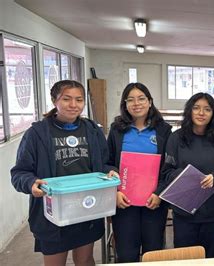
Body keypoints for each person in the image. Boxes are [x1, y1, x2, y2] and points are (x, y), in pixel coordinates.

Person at [11, 80, 115, 266]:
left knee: (84, 260)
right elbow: (19, 172)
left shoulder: (92, 130)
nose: (74, 105)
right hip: (52, 213)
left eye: (79, 100)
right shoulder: (37, 134)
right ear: (54, 100)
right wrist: (31, 183)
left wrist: (111, 172)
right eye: (66, 99)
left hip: (87, 207)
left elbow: (105, 164)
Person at [106, 82, 172, 262]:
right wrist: (116, 191)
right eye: (131, 100)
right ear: (125, 104)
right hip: (124, 203)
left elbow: (169, 167)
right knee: (126, 253)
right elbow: (107, 163)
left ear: (150, 102)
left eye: (141, 98)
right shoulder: (116, 130)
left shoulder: (164, 131)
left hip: (154, 202)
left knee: (153, 252)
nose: (137, 103)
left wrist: (159, 193)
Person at [161, 93, 214, 258]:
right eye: (196, 108)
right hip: (184, 212)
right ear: (189, 111)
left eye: (207, 109)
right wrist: (184, 177)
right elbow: (167, 172)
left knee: (209, 257)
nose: (201, 113)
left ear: (213, 113)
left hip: (213, 212)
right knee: (185, 258)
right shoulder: (176, 138)